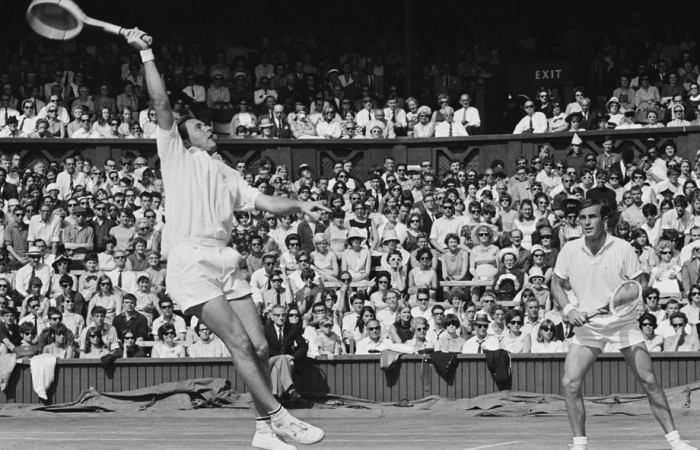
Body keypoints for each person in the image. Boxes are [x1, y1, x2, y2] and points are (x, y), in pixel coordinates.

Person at [124, 28, 324, 448]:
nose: (209, 129)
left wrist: (300, 206)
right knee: (236, 341)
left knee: (259, 345)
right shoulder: (176, 155)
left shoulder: (228, 173)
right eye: (200, 126)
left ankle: (263, 432)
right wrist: (146, 54)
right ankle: (278, 415)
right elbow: (161, 103)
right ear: (185, 135)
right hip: (190, 261)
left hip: (226, 260)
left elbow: (266, 201)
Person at [551, 198, 695, 450]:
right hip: (589, 329)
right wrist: (569, 309)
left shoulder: (623, 248)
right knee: (569, 383)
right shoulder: (569, 250)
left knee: (649, 381)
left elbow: (641, 282)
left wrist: (619, 300)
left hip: (623, 325)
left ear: (604, 220)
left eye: (592, 217)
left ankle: (675, 441)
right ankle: (579, 444)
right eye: (582, 218)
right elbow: (556, 282)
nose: (586, 223)